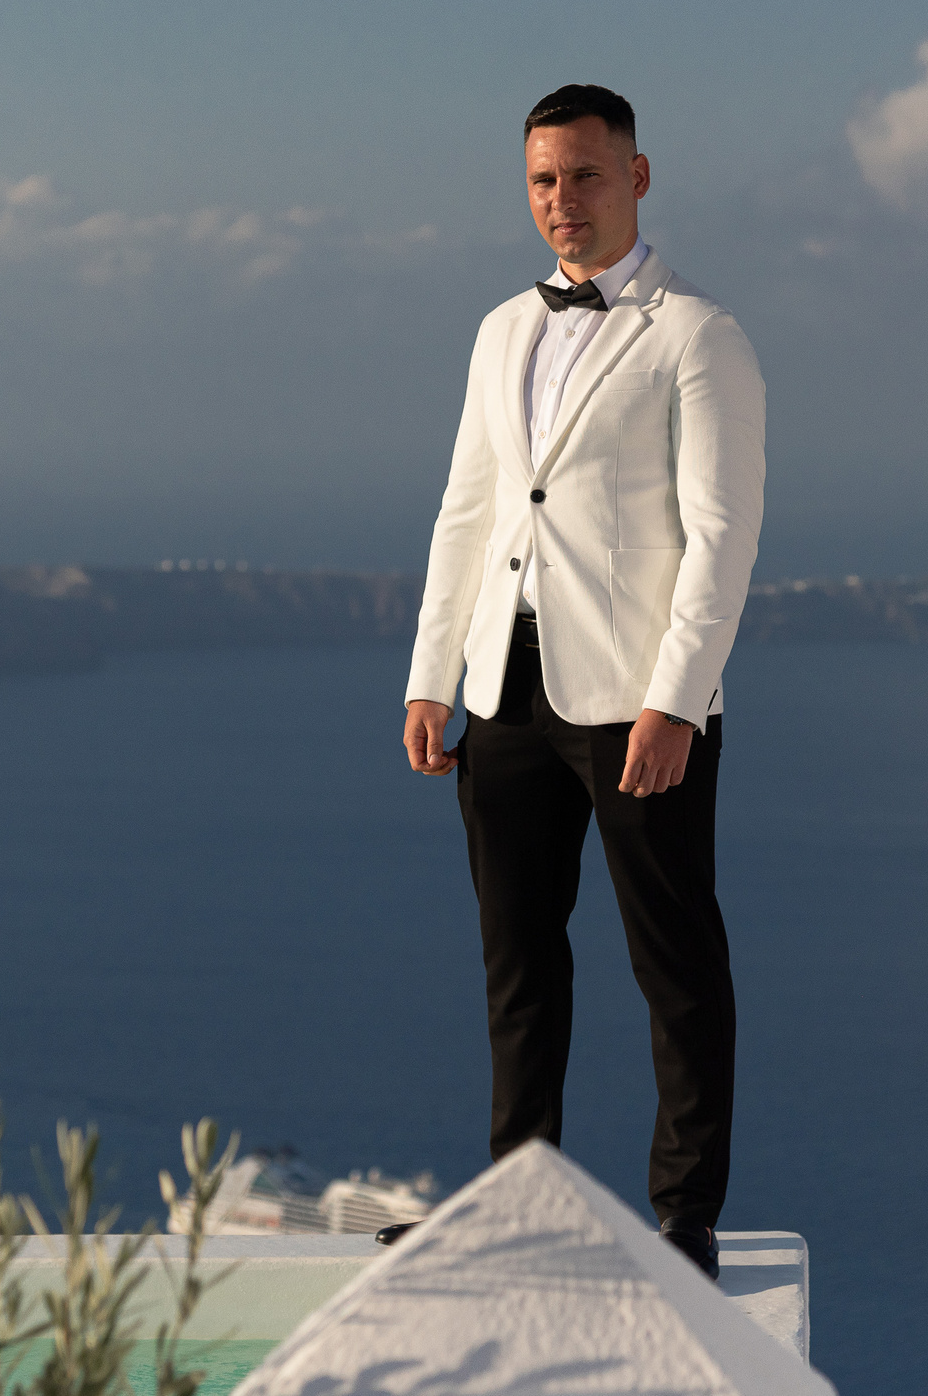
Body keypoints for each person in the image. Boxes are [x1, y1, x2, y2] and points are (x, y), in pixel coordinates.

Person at [391, 84, 765, 1279]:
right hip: (504, 690)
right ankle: (517, 1200)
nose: (563, 201)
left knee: (674, 959)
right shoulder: (501, 327)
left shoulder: (698, 335)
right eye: (545, 180)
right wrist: (430, 672)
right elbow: (469, 508)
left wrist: (676, 698)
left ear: (639, 176)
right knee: (517, 956)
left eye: (586, 176)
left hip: (634, 703)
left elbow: (721, 532)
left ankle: (683, 1217)